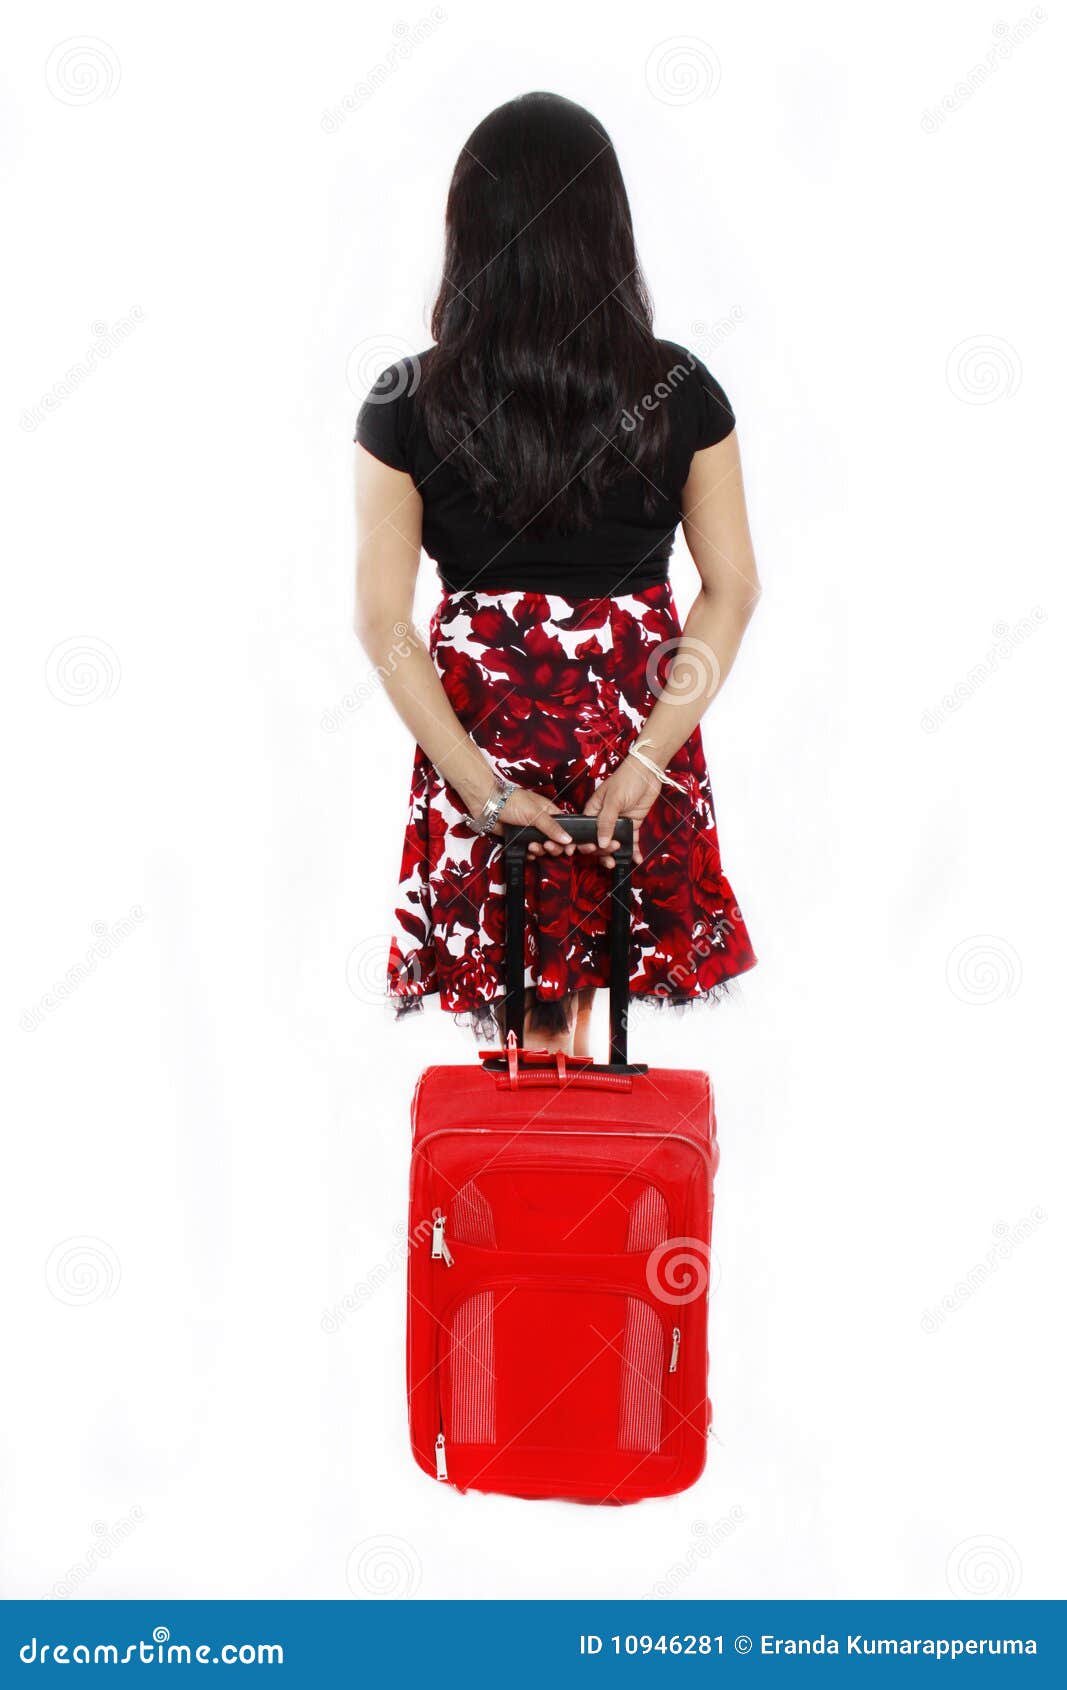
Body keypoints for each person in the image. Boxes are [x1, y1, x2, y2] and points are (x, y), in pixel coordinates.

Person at [355, 92, 759, 1055]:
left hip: (480, 739)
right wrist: (649, 760)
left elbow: (384, 623)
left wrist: (478, 789)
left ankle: (516, 1186)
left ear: (469, 232)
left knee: (518, 1024)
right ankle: (573, 1178)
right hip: (632, 733)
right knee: (585, 1007)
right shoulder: (680, 389)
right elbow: (732, 587)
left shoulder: (408, 400)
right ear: (607, 230)